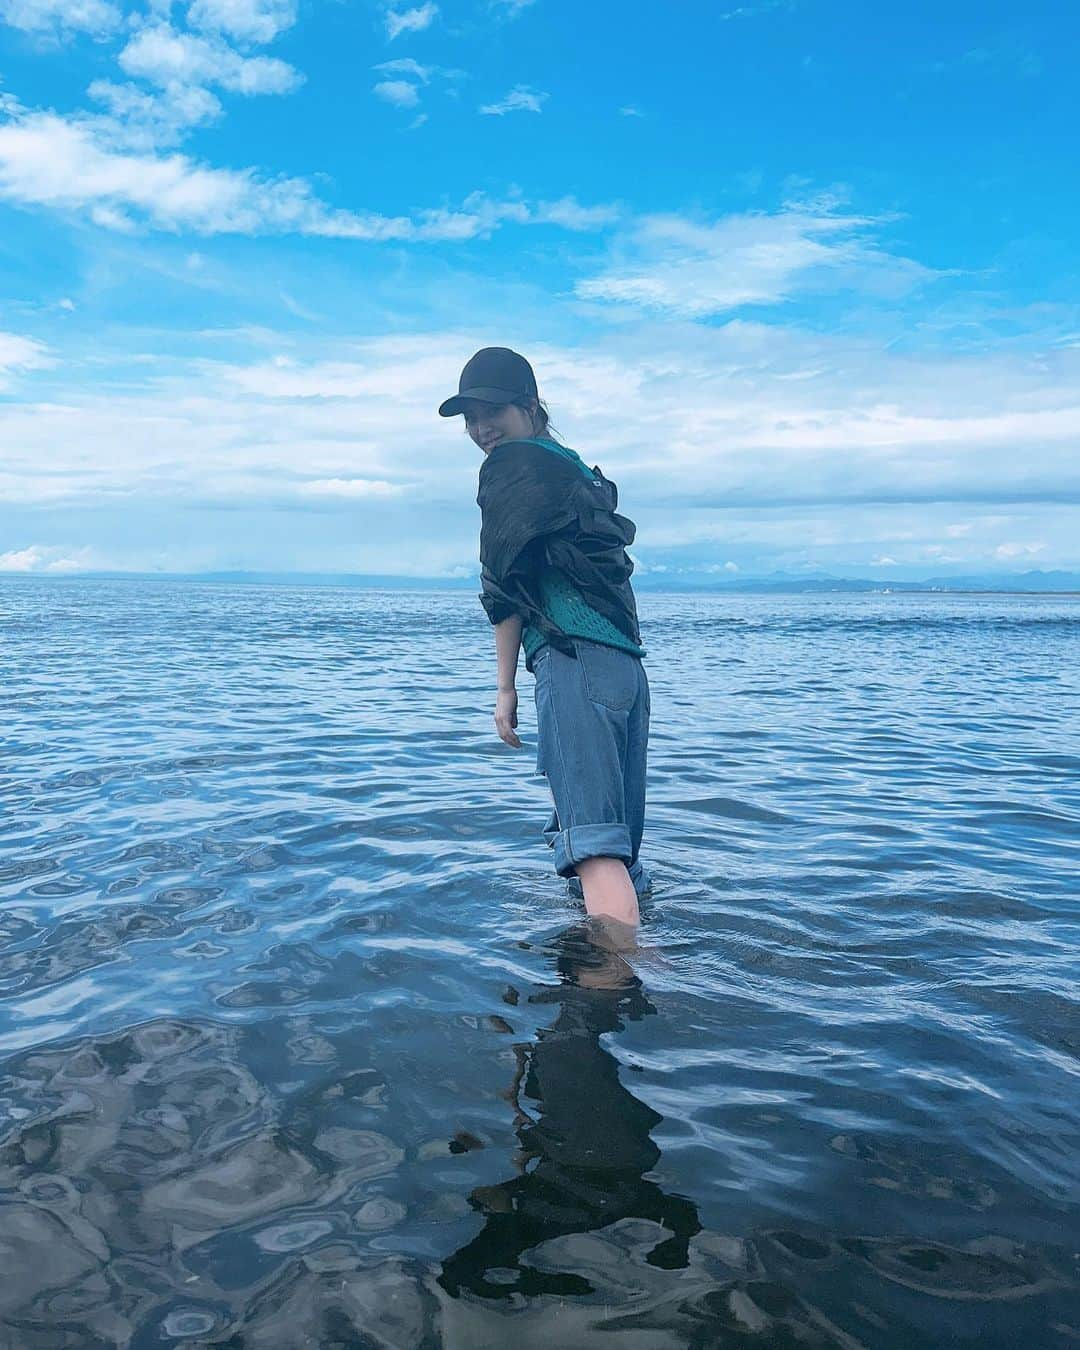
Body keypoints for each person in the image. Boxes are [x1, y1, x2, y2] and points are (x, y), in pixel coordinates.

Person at [438, 347, 653, 928]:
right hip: (625, 670)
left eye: (493, 412)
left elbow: (505, 585)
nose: (482, 430)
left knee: (594, 849)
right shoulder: (576, 468)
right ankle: (634, 987)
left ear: (531, 407)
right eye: (470, 419)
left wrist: (504, 687)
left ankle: (625, 977)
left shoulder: (511, 467)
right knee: (621, 849)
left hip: (572, 659)